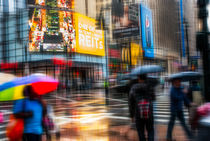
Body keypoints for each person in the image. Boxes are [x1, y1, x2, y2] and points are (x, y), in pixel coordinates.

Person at [129, 74, 155, 141]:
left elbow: (131, 102)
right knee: (150, 130)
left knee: (140, 132)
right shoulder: (150, 86)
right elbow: (154, 98)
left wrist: (132, 115)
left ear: (139, 78)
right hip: (149, 112)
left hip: (138, 112)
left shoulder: (134, 87)